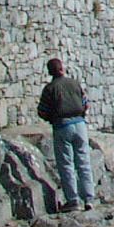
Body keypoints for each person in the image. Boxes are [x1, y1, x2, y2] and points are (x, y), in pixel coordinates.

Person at [37, 56, 95, 212]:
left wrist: (51, 118)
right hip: (80, 125)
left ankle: (73, 200)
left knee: (66, 164)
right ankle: (89, 199)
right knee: (84, 162)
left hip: (62, 126)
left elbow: (42, 111)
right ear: (62, 68)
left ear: (50, 72)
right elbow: (85, 103)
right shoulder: (74, 83)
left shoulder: (50, 88)